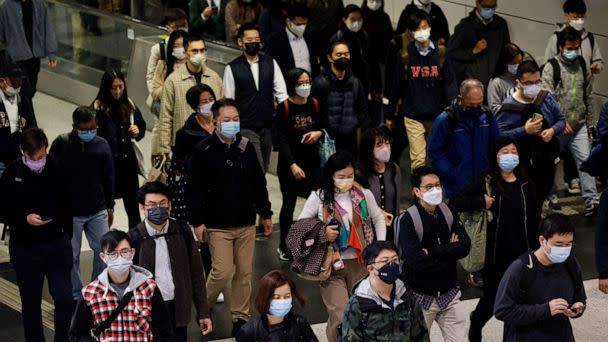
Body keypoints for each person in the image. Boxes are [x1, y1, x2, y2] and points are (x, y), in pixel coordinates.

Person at [187, 98, 273, 336]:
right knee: (222, 270)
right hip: (217, 225)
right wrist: (197, 222)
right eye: (226, 120)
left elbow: (259, 183)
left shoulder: (246, 147)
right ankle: (205, 306)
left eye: (236, 120)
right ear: (214, 122)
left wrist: (265, 214)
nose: (232, 124)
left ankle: (240, 317)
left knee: (244, 273)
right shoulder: (202, 150)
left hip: (245, 222)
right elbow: (192, 189)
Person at [452, 137, 540, 342]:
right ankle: (477, 322)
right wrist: (480, 201)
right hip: (494, 257)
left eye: (514, 151)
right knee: (492, 300)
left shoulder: (526, 184)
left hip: (523, 255)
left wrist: (537, 252)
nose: (510, 155)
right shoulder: (486, 182)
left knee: (518, 304)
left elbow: (534, 220)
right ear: (495, 155)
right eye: (504, 151)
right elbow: (455, 202)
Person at [297, 151, 386, 342]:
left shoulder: (364, 194)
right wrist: (323, 233)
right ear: (331, 175)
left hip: (361, 264)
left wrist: (379, 246)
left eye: (350, 176)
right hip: (331, 266)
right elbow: (301, 227)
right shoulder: (319, 197)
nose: (346, 180)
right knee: (340, 315)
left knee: (362, 313)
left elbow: (378, 218)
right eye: (341, 176)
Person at [0, 128, 72, 342]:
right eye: (35, 157)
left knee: (64, 297)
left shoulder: (56, 166)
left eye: (43, 155)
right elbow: (2, 209)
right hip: (26, 248)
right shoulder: (12, 173)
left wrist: (65, 233)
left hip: (56, 244)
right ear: (23, 151)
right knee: (30, 303)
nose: (40, 160)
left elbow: (68, 202)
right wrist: (24, 218)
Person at [129, 182, 212, 341]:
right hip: (149, 310)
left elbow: (196, 273)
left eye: (162, 203)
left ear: (170, 205)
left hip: (178, 306)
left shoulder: (181, 230)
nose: (158, 208)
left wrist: (203, 312)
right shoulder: (134, 237)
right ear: (142, 208)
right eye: (152, 205)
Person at [397, 166, 471, 342]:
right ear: (416, 191)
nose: (435, 190)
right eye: (429, 187)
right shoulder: (408, 220)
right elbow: (416, 261)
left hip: (449, 293)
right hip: (420, 297)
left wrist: (432, 251)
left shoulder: (448, 211)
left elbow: (465, 246)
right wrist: (449, 253)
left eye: (437, 185)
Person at [49, 106, 115, 302]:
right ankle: (75, 294)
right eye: (85, 129)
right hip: (71, 213)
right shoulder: (62, 144)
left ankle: (97, 289)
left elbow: (109, 177)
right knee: (72, 255)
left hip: (97, 209)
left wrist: (110, 206)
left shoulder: (102, 145)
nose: (89, 133)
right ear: (75, 126)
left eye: (93, 128)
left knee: (105, 252)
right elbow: (52, 176)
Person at [494, 214, 586, 342]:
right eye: (558, 244)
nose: (564, 250)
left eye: (568, 244)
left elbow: (580, 297)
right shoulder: (520, 269)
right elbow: (502, 310)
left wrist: (578, 307)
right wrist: (545, 309)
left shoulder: (571, 264)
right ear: (542, 240)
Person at [69, 230, 173, 341]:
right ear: (103, 257)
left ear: (132, 253)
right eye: (113, 253)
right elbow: (76, 335)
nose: (120, 258)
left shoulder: (149, 288)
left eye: (124, 251)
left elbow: (164, 332)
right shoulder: (90, 294)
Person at [387, 8, 457, 171]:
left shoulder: (441, 54)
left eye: (424, 27)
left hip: (438, 115)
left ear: (430, 27)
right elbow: (396, 86)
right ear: (410, 33)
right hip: (413, 116)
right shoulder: (405, 56)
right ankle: (419, 194)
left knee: (436, 155)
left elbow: (450, 84)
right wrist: (389, 114)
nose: (421, 32)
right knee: (418, 159)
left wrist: (453, 110)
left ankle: (437, 191)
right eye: (417, 29)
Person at [542, 27, 599, 215]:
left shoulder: (582, 64)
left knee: (586, 160)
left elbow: (588, 95)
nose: (572, 51)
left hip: (579, 124)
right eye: (569, 47)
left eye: (575, 47)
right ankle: (550, 198)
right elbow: (547, 100)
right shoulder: (551, 67)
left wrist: (590, 124)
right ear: (560, 47)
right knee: (550, 162)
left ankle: (591, 200)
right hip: (557, 127)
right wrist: (559, 122)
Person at [496, 60, 565, 214]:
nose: (534, 86)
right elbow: (498, 135)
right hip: (522, 164)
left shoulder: (546, 98)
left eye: (537, 82)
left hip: (546, 160)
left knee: (542, 195)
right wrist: (524, 130)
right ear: (518, 82)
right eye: (528, 83)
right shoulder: (508, 107)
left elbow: (561, 120)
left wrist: (552, 131)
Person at [223, 23, 288, 171]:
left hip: (267, 126)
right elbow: (229, 102)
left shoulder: (270, 63)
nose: (254, 43)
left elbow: (282, 93)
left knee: (263, 168)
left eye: (257, 39)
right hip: (245, 128)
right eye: (250, 40)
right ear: (240, 42)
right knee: (256, 168)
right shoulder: (232, 68)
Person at [151, 34, 223, 163]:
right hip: (184, 144)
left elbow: (222, 111)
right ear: (185, 53)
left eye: (202, 50)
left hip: (213, 141)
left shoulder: (214, 78)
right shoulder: (173, 80)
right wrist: (164, 152)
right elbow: (166, 118)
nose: (199, 54)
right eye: (195, 51)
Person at [276, 68, 323, 261]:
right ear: (292, 85)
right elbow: (281, 138)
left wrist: (318, 133)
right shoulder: (285, 107)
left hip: (312, 162)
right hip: (290, 165)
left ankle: (311, 242)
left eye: (307, 81)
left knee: (315, 203)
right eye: (301, 83)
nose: (305, 86)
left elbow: (322, 125)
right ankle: (284, 245)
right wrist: (292, 164)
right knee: (289, 204)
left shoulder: (315, 103)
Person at [341, 241, 429, 341]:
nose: (391, 264)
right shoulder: (358, 303)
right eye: (385, 261)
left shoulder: (406, 295)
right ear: (370, 268)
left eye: (395, 259)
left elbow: (421, 335)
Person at [428, 79, 499, 199]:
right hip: (456, 186)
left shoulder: (487, 116)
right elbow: (435, 152)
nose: (476, 108)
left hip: (483, 184)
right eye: (471, 105)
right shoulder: (446, 120)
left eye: (479, 104)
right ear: (461, 98)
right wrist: (451, 173)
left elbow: (496, 143)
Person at [93, 69, 146, 229]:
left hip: (127, 166)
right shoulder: (97, 108)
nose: (117, 91)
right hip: (107, 167)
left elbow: (141, 127)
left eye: (120, 87)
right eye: (113, 88)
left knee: (133, 209)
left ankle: (135, 242)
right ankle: (106, 243)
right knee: (105, 210)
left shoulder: (129, 105)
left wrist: (138, 131)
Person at [311, 41, 369, 155]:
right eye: (339, 55)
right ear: (330, 57)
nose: (343, 57)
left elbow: (362, 111)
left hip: (350, 142)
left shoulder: (356, 83)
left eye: (346, 54)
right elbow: (314, 113)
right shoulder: (319, 83)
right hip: (327, 142)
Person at [236, 270, 318, 341]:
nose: (282, 301)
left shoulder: (300, 324)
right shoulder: (248, 332)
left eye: (287, 296)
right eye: (276, 297)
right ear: (265, 298)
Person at [446, 0, 510, 88]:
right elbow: (452, 52)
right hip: (472, 83)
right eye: (486, 7)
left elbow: (506, 51)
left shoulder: (500, 24)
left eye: (493, 7)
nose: (490, 10)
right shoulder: (465, 25)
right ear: (478, 4)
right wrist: (473, 51)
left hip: (494, 83)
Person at [0, 0, 58, 95]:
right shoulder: (5, 7)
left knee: (31, 89)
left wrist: (51, 52)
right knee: (24, 92)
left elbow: (47, 28)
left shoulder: (39, 4)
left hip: (34, 56)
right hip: (16, 58)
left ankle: (22, 108)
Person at [357, 128, 401, 242]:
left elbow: (397, 201)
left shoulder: (394, 169)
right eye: (379, 145)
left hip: (391, 230)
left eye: (387, 143)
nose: (385, 148)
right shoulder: (359, 174)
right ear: (369, 149)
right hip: (368, 231)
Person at [330, 5, 380, 96]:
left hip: (364, 83)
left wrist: (376, 86)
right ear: (344, 19)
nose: (357, 22)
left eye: (359, 19)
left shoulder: (365, 36)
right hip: (345, 85)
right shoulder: (338, 38)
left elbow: (373, 61)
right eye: (352, 19)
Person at [544, 0, 603, 76]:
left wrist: (597, 66)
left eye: (582, 17)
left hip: (584, 86)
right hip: (563, 85)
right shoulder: (557, 38)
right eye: (575, 17)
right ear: (566, 15)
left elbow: (598, 60)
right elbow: (547, 65)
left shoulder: (590, 38)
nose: (579, 20)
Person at [0, 60, 36, 178]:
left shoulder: (23, 100)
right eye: (14, 83)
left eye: (19, 83)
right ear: (2, 81)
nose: (17, 87)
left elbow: (32, 124)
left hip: (17, 157)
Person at [145, 9, 189, 106]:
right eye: (176, 27)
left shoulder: (192, 47)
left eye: (184, 25)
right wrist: (158, 95)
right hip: (162, 102)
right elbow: (150, 76)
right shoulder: (159, 49)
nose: (181, 30)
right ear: (168, 28)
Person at [265, 3, 320, 79]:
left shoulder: (311, 36)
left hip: (311, 82)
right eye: (298, 24)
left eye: (305, 24)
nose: (302, 28)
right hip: (288, 85)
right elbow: (270, 66)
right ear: (288, 21)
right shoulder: (274, 40)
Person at [147, 29, 190, 117]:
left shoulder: (193, 66)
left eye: (182, 46)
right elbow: (155, 92)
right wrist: (170, 87)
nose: (180, 49)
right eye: (176, 46)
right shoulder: (163, 65)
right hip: (165, 111)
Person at [487, 43, 523, 114]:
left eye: (520, 61)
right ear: (506, 63)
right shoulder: (496, 83)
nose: (518, 65)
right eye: (514, 63)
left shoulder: (521, 77)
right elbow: (494, 109)